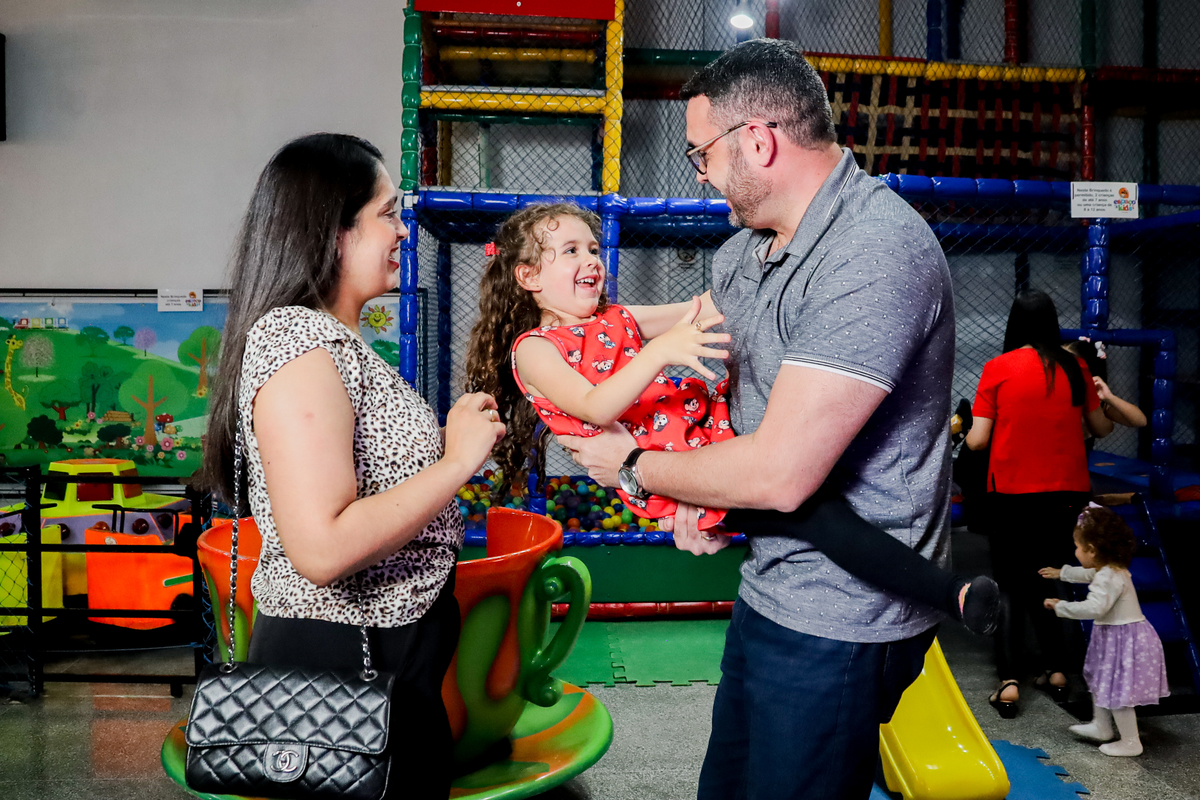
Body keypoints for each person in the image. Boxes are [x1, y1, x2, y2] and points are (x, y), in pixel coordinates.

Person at [555, 40, 957, 799]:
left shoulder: (873, 251)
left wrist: (634, 468)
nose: (699, 174)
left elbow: (779, 473)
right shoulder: (745, 253)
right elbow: (723, 387)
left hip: (844, 609)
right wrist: (696, 495)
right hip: (770, 581)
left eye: (701, 154)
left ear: (759, 141)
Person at [465, 201, 998, 632]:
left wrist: (778, 259)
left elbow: (705, 309)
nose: (591, 260)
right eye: (570, 251)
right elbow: (595, 405)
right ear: (528, 276)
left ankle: (943, 579)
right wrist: (661, 351)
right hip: (670, 469)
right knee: (815, 515)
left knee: (817, 475)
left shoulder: (616, 318)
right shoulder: (534, 350)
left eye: (592, 248)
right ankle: (948, 593)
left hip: (707, 429)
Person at [198, 133, 505, 799]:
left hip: (386, 662)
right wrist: (455, 462)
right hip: (338, 667)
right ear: (333, 231)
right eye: (387, 213)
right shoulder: (297, 342)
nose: (403, 231)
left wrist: (451, 446)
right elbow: (322, 547)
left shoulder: (335, 343)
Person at [965, 289, 1114, 718]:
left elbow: (977, 441)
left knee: (1010, 585)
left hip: (1012, 494)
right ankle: (1058, 672)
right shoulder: (1076, 366)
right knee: (1051, 576)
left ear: (1013, 323)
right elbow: (1101, 428)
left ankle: (1009, 682)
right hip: (1067, 493)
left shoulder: (998, 368)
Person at [1040, 504, 1169, 756]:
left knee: (1118, 691)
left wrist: (1061, 606)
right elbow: (1088, 574)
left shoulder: (1109, 577)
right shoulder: (1109, 568)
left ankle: (1131, 741)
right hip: (1114, 637)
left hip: (1123, 640)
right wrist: (1062, 573)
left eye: (1077, 547)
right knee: (1101, 681)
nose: (1076, 551)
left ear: (1092, 550)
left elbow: (1095, 607)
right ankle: (1101, 725)